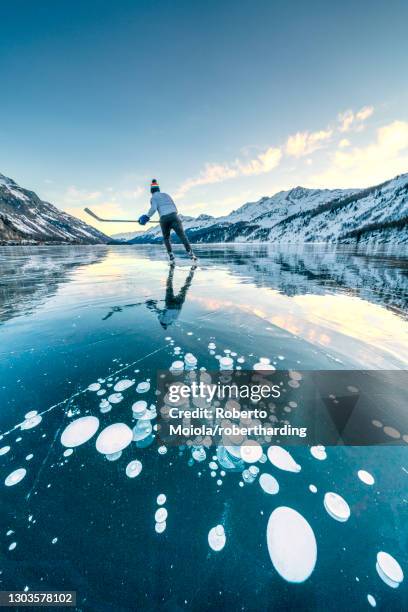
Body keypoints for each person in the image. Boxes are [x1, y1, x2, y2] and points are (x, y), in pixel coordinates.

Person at [138, 179, 196, 264]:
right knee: (182, 236)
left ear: (151, 191)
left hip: (164, 218)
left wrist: (146, 217)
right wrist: (173, 214)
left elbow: (153, 208)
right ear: (158, 189)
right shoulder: (166, 195)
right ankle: (191, 254)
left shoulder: (153, 197)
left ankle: (171, 255)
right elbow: (175, 207)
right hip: (174, 216)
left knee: (166, 238)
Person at [145, 264, 196, 329]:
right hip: (169, 305)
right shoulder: (161, 320)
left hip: (178, 305)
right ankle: (172, 267)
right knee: (169, 285)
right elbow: (157, 311)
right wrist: (152, 305)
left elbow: (166, 315)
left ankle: (192, 270)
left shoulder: (173, 320)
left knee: (185, 287)